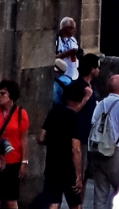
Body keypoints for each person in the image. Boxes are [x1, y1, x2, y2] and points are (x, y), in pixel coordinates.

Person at [39, 77, 89, 208]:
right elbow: (76, 149)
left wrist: (54, 142)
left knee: (54, 202)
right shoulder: (75, 118)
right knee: (75, 203)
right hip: (68, 169)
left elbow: (41, 137)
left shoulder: (54, 111)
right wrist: (78, 176)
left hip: (52, 165)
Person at [88, 73, 119, 209]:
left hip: (98, 151)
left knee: (100, 195)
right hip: (115, 153)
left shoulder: (100, 104)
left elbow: (93, 124)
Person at [0, 78, 30, 209]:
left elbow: (24, 139)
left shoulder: (20, 114)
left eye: (3, 93)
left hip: (13, 162)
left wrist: (24, 162)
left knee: (10, 199)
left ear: (11, 95)